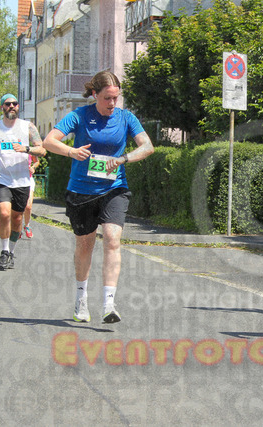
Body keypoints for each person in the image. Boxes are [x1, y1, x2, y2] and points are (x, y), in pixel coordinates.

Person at [43, 71, 154, 324]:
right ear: (95, 94)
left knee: (112, 239)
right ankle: (81, 299)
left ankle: (109, 304)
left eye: (116, 97)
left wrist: (124, 158)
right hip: (82, 191)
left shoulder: (126, 117)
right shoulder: (80, 116)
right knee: (85, 245)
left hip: (114, 188)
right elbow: (49, 141)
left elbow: (147, 146)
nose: (112, 103)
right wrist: (71, 151)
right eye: (107, 98)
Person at [0, 94, 46, 271]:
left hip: (21, 179)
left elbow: (42, 150)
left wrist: (26, 148)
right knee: (4, 214)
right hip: (0, 177)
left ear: (18, 107)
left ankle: (11, 251)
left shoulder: (27, 126)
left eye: (15, 104)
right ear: (2, 107)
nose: (11, 106)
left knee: (17, 218)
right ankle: (4, 251)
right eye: (7, 104)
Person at [21, 154, 39, 238]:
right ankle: (17, 228)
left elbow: (37, 161)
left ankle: (27, 226)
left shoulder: (30, 150)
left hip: (28, 180)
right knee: (17, 207)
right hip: (14, 180)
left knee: (28, 206)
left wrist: (33, 167)